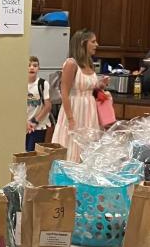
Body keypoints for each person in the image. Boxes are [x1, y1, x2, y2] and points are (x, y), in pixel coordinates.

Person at [51, 29, 103, 161]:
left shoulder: (89, 63)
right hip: (74, 109)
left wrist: (100, 85)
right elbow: (64, 91)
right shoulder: (71, 64)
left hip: (89, 111)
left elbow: (87, 87)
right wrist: (70, 118)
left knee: (87, 148)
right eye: (93, 41)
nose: (97, 44)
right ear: (82, 43)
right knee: (72, 146)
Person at [26, 55, 52, 151]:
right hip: (24, 126)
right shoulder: (20, 83)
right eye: (29, 65)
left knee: (32, 153)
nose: (32, 68)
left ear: (39, 68)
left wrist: (34, 121)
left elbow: (47, 106)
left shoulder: (42, 84)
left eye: (35, 65)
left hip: (38, 126)